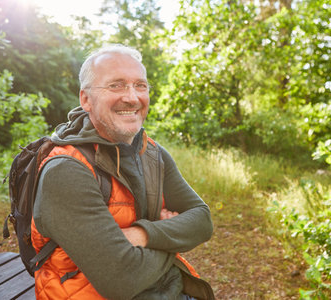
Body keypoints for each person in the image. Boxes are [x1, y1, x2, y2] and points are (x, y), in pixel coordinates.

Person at [31, 44, 214, 300]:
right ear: (86, 99)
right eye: (116, 85)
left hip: (168, 290)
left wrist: (144, 234)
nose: (132, 97)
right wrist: (171, 233)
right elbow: (122, 281)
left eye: (140, 85)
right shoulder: (66, 170)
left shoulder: (151, 152)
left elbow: (202, 221)